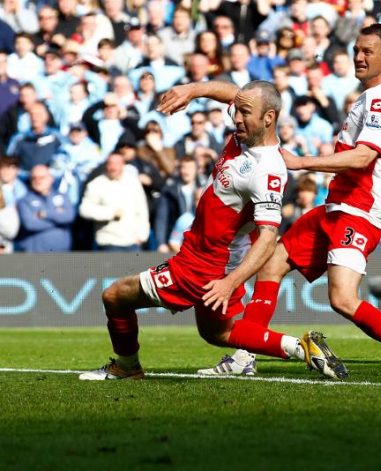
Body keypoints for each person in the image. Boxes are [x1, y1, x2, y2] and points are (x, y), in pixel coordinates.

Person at [160, 25, 381, 376]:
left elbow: (363, 159)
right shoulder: (372, 98)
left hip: (358, 213)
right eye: (356, 49)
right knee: (271, 265)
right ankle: (243, 358)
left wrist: (299, 162)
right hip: (337, 207)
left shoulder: (380, 100)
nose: (358, 57)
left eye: (367, 52)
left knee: (342, 299)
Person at [80, 81, 344, 381]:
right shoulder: (248, 130)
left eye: (244, 112)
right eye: (237, 110)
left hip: (203, 264)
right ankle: (302, 348)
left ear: (268, 118)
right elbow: (234, 92)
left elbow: (269, 236)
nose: (235, 117)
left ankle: (127, 367)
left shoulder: (267, 169)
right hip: (211, 256)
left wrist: (231, 282)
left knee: (114, 296)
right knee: (217, 332)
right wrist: (191, 90)